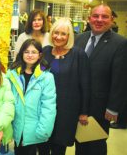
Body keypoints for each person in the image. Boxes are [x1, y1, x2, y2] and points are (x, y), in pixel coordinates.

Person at [75, 4, 127, 155]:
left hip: (100, 106)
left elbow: (120, 79)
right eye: (95, 16)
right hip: (78, 104)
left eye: (104, 16)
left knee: (96, 143)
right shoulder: (79, 39)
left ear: (111, 20)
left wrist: (113, 107)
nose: (99, 20)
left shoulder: (120, 43)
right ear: (88, 18)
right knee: (80, 141)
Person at [40, 18, 90, 155]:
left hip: (66, 112)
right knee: (43, 145)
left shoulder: (78, 54)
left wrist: (84, 112)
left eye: (63, 34)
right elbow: (37, 77)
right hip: (44, 109)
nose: (58, 37)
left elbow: (85, 84)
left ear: (69, 36)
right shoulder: (45, 51)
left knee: (59, 148)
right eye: (56, 33)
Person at [7, 39, 56, 155]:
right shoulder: (13, 74)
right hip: (18, 129)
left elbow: (49, 107)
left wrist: (43, 131)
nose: (30, 55)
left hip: (36, 129)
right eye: (26, 52)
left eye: (33, 52)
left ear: (39, 55)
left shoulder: (46, 77)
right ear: (21, 53)